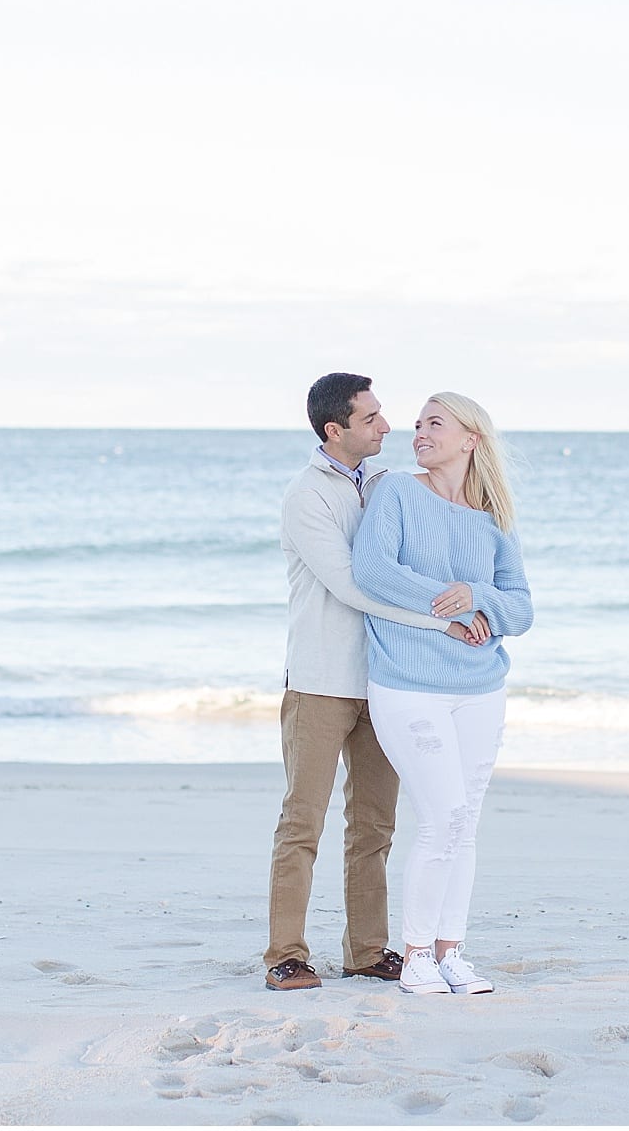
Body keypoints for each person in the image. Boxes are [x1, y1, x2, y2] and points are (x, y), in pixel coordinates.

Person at [265, 373, 488, 992]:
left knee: (375, 826)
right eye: (371, 419)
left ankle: (367, 950)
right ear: (335, 431)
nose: (387, 426)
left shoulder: (389, 487)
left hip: (388, 682)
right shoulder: (307, 497)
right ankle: (285, 953)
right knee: (302, 822)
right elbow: (357, 584)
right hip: (320, 680)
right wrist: (445, 623)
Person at [351, 392, 533, 996]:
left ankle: (453, 952)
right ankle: (417, 955)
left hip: (481, 687)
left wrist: (477, 596)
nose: (419, 431)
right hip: (408, 683)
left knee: (467, 820)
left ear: (470, 438)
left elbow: (521, 608)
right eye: (420, 422)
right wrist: (446, 601)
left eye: (435, 423)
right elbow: (372, 570)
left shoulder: (492, 517)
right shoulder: (397, 492)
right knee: (444, 816)